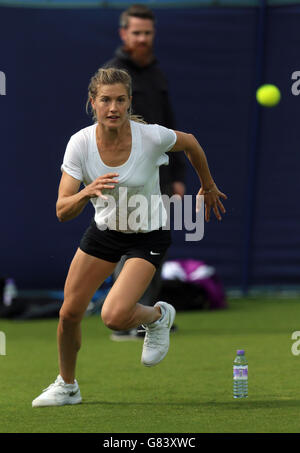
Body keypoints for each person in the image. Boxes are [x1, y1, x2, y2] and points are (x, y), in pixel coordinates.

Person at [32, 68, 227, 407]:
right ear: (93, 103)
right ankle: (67, 385)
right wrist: (86, 192)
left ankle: (158, 316)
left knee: (114, 317)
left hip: (147, 235)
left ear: (129, 102)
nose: (113, 107)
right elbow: (63, 210)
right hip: (105, 233)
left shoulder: (151, 137)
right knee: (68, 314)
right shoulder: (80, 144)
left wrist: (207, 185)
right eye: (105, 100)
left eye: (120, 100)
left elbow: (191, 143)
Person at [103, 4, 186, 340]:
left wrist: (177, 174)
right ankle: (124, 317)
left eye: (147, 33)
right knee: (129, 246)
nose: (142, 39)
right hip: (127, 175)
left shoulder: (155, 72)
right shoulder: (113, 74)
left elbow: (168, 126)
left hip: (160, 175)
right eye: (136, 33)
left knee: (156, 244)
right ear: (123, 34)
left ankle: (145, 317)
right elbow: (105, 128)